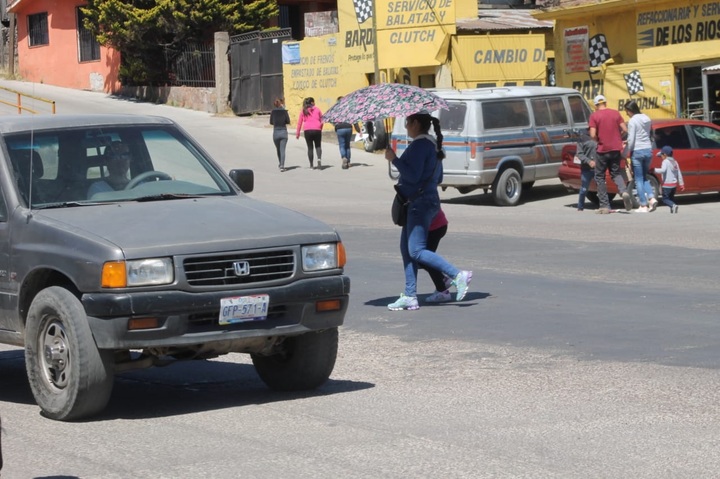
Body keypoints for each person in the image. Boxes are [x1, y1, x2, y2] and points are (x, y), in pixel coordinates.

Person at [384, 111, 472, 311]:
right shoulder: (432, 144)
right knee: (407, 251)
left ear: (415, 123)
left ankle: (457, 275)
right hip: (426, 201)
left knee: (416, 250)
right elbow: (438, 178)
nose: (406, 127)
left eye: (407, 123)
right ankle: (410, 295)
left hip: (418, 204)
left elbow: (413, 176)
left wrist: (394, 159)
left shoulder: (419, 146)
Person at [589, 94, 633, 214]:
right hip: (615, 149)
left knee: (599, 176)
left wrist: (598, 140)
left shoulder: (594, 116)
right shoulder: (615, 113)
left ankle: (604, 205)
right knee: (616, 173)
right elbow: (625, 129)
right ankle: (623, 191)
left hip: (602, 150)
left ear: (596, 105)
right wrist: (618, 138)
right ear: (605, 103)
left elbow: (592, 135)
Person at [624, 100, 658, 212]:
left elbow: (632, 139)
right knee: (644, 177)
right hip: (648, 150)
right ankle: (652, 198)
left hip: (637, 151)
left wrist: (627, 149)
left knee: (638, 178)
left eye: (627, 111)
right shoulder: (646, 118)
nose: (626, 114)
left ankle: (643, 205)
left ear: (630, 110)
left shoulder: (633, 121)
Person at [422, 207, 456, 303]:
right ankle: (443, 281)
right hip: (437, 226)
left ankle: (442, 290)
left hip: (435, 228)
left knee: (424, 257)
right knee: (421, 258)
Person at [654, 145, 684, 213]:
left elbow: (663, 170)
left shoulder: (665, 161)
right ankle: (673, 209)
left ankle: (673, 205)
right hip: (674, 185)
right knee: (671, 198)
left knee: (665, 199)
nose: (661, 157)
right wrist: (681, 184)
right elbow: (679, 173)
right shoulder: (675, 162)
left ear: (664, 154)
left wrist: (654, 170)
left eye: (661, 155)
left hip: (667, 185)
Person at [296, 97, 323, 169]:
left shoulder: (303, 111)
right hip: (317, 129)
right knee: (318, 146)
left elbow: (299, 123)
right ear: (312, 103)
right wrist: (320, 128)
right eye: (314, 102)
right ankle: (319, 160)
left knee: (310, 148)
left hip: (307, 130)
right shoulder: (317, 109)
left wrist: (298, 133)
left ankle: (311, 165)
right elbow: (322, 120)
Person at [575, 128, 597, 211]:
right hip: (586, 168)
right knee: (584, 189)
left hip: (598, 168)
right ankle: (580, 207)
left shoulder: (599, 135)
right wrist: (589, 161)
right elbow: (579, 154)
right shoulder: (582, 138)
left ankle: (605, 206)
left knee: (602, 188)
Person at [269, 97, 290, 172]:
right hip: (283, 132)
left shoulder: (273, 112)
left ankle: (280, 163)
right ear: (281, 104)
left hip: (276, 132)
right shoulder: (284, 111)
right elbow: (288, 121)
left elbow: (271, 122)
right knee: (283, 150)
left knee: (278, 149)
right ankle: (282, 165)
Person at [333, 96, 353, 169]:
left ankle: (344, 157)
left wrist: (336, 127)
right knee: (347, 145)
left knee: (342, 145)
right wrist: (358, 130)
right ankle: (349, 161)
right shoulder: (348, 109)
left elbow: (333, 120)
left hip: (340, 128)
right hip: (348, 127)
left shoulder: (335, 110)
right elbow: (353, 119)